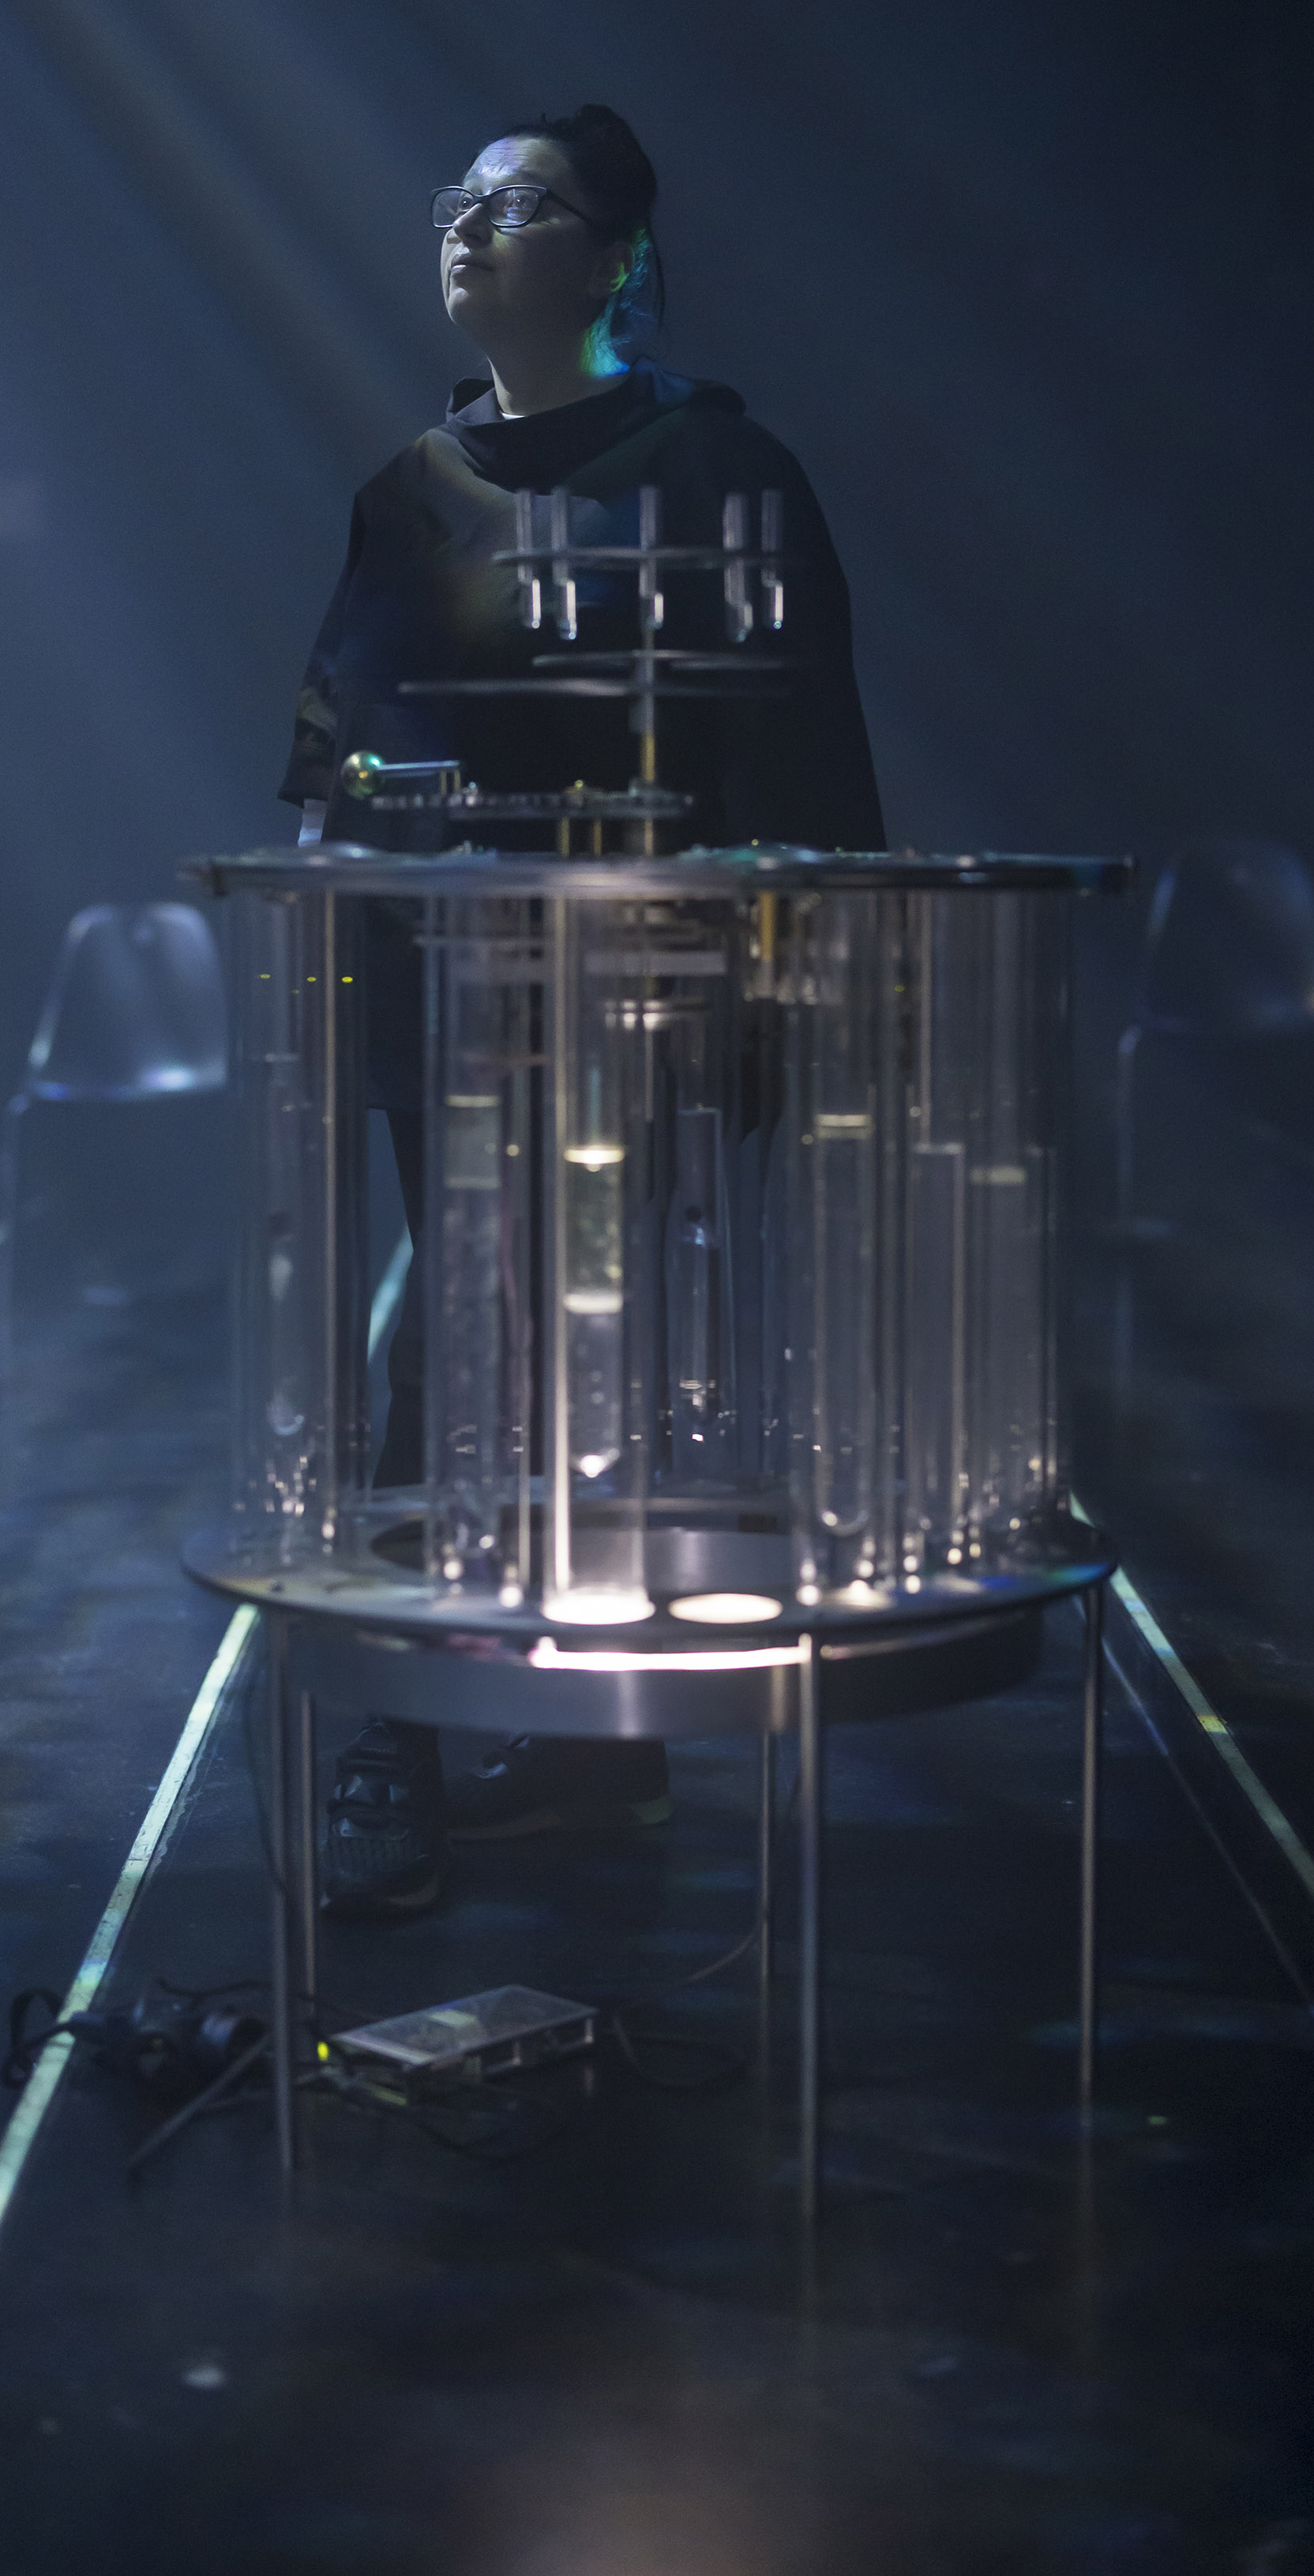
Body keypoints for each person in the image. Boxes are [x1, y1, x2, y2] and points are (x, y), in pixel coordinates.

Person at [277, 103, 883, 1915]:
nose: (469, 228)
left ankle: (557, 1750)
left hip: (654, 1001)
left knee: (592, 1368)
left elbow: (805, 753)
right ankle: (427, 1742)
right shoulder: (410, 489)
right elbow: (330, 750)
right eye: (457, 201)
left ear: (617, 255)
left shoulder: (723, 466)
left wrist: (788, 992)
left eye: (520, 203)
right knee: (457, 1349)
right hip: (449, 1000)